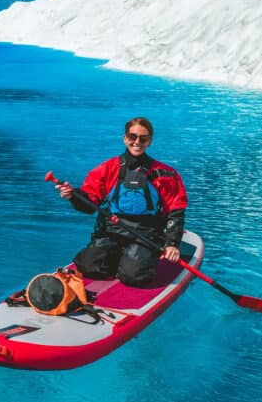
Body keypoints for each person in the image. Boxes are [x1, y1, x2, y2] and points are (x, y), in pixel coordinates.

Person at [55, 117, 187, 288]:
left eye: (143, 138)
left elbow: (175, 210)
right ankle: (121, 255)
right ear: (125, 138)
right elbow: (90, 205)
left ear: (150, 141)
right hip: (112, 231)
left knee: (135, 277)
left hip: (146, 235)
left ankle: (135, 259)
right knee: (88, 267)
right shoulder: (108, 168)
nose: (137, 142)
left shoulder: (165, 173)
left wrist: (172, 244)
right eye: (132, 137)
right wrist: (73, 196)